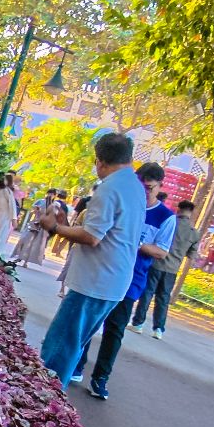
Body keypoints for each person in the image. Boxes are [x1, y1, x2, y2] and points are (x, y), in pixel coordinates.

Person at [37, 131, 144, 385]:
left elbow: (92, 236)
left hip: (95, 281)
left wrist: (55, 227)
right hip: (113, 281)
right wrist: (65, 226)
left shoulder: (110, 188)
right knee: (73, 343)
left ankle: (45, 397)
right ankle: (52, 396)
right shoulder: (135, 187)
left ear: (100, 161)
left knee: (59, 347)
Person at [83, 162, 177, 400]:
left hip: (132, 279)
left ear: (159, 186)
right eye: (140, 186)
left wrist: (136, 243)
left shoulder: (166, 217)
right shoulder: (126, 203)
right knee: (89, 321)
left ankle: (100, 378)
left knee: (114, 329)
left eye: (149, 188)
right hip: (105, 270)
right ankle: (77, 364)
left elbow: (161, 251)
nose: (144, 192)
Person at [134, 199, 198, 338]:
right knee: (163, 299)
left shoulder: (169, 222)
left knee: (147, 294)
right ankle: (158, 329)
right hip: (172, 270)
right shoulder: (194, 233)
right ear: (191, 213)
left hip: (155, 263)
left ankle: (138, 324)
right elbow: (191, 255)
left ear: (178, 209)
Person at [13, 189, 54, 268]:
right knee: (25, 239)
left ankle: (26, 261)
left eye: (52, 194)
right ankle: (20, 256)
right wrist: (37, 210)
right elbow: (33, 210)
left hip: (42, 226)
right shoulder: (40, 201)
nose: (50, 196)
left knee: (34, 243)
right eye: (49, 194)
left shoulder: (52, 206)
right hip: (34, 223)